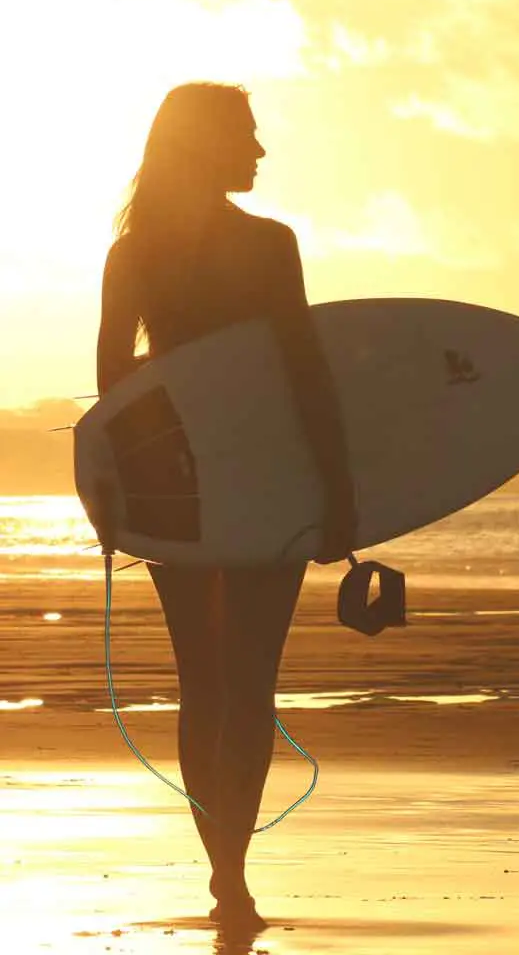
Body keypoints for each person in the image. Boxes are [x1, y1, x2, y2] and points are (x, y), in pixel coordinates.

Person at [95, 82, 355, 933]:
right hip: (268, 482)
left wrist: (124, 497)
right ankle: (232, 874)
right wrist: (339, 491)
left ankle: (227, 873)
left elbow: (112, 388)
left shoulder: (133, 254)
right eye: (247, 133)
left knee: (203, 686)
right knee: (248, 684)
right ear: (207, 143)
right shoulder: (269, 245)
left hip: (180, 491)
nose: (260, 150)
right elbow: (305, 374)